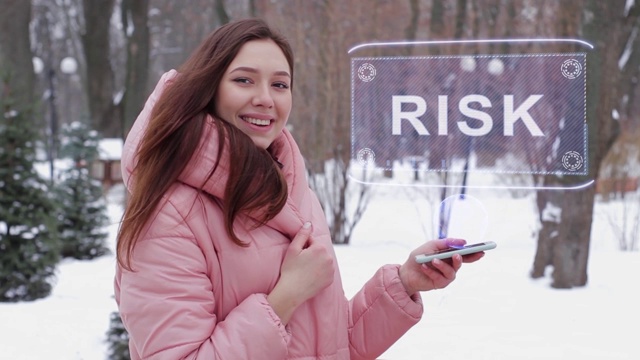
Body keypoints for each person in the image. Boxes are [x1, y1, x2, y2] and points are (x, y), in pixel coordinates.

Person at [114, 17, 485, 360]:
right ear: (207, 89)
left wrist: (405, 282)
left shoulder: (291, 193)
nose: (265, 98)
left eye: (280, 84)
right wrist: (285, 297)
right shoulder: (168, 217)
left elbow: (332, 345)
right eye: (244, 80)